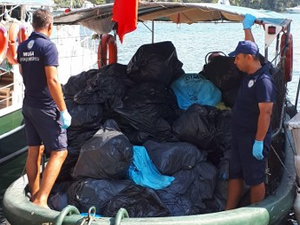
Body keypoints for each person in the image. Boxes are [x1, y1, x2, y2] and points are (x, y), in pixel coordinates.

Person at [17, 9, 72, 208]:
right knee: (60, 152)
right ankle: (41, 200)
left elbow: (23, 71)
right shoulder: (48, 47)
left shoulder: (23, 46)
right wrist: (63, 110)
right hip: (45, 107)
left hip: (28, 104)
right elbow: (53, 80)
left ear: (33, 25)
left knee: (34, 151)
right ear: (50, 26)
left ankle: (34, 195)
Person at [225, 14, 276, 210]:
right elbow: (251, 48)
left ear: (248, 58)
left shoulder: (264, 81)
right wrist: (246, 28)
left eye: (237, 58)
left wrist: (259, 141)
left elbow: (266, 113)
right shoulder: (250, 73)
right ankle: (228, 212)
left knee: (255, 178)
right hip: (239, 135)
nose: (234, 62)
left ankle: (255, 214)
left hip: (254, 137)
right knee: (235, 173)